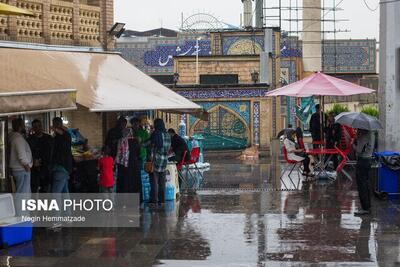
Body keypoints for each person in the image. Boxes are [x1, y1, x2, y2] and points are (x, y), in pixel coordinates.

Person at [149, 118, 171, 205]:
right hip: (164, 160)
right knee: (162, 182)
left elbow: (149, 144)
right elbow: (168, 148)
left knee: (154, 182)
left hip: (156, 160)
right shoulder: (168, 135)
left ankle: (154, 200)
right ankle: (162, 201)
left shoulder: (156, 134)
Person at [354, 129, 375, 216]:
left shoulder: (364, 135)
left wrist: (354, 142)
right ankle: (367, 206)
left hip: (362, 160)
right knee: (366, 184)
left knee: (362, 185)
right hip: (368, 160)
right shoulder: (371, 133)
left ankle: (365, 208)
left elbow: (359, 150)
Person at [28, 119, 53, 193]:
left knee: (45, 189)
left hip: (46, 167)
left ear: (41, 126)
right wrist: (33, 160)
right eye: (35, 127)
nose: (37, 128)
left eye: (39, 126)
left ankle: (43, 203)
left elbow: (52, 152)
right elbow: (28, 153)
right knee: (33, 188)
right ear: (33, 128)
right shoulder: (30, 139)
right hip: (34, 168)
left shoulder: (49, 138)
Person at [9, 118, 33, 194]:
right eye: (23, 125)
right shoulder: (18, 139)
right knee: (23, 194)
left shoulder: (13, 137)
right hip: (22, 169)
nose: (24, 127)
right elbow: (22, 156)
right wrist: (27, 167)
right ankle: (21, 206)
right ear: (20, 127)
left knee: (21, 193)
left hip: (19, 169)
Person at [51, 117, 73, 193]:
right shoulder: (63, 135)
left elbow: (63, 133)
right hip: (65, 167)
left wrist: (55, 129)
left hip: (60, 167)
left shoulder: (65, 135)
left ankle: (56, 205)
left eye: (54, 124)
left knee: (55, 193)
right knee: (64, 191)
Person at [115, 128, 141, 194]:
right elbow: (138, 153)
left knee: (124, 182)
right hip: (134, 164)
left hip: (123, 165)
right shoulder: (136, 141)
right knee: (134, 182)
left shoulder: (121, 141)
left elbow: (118, 153)